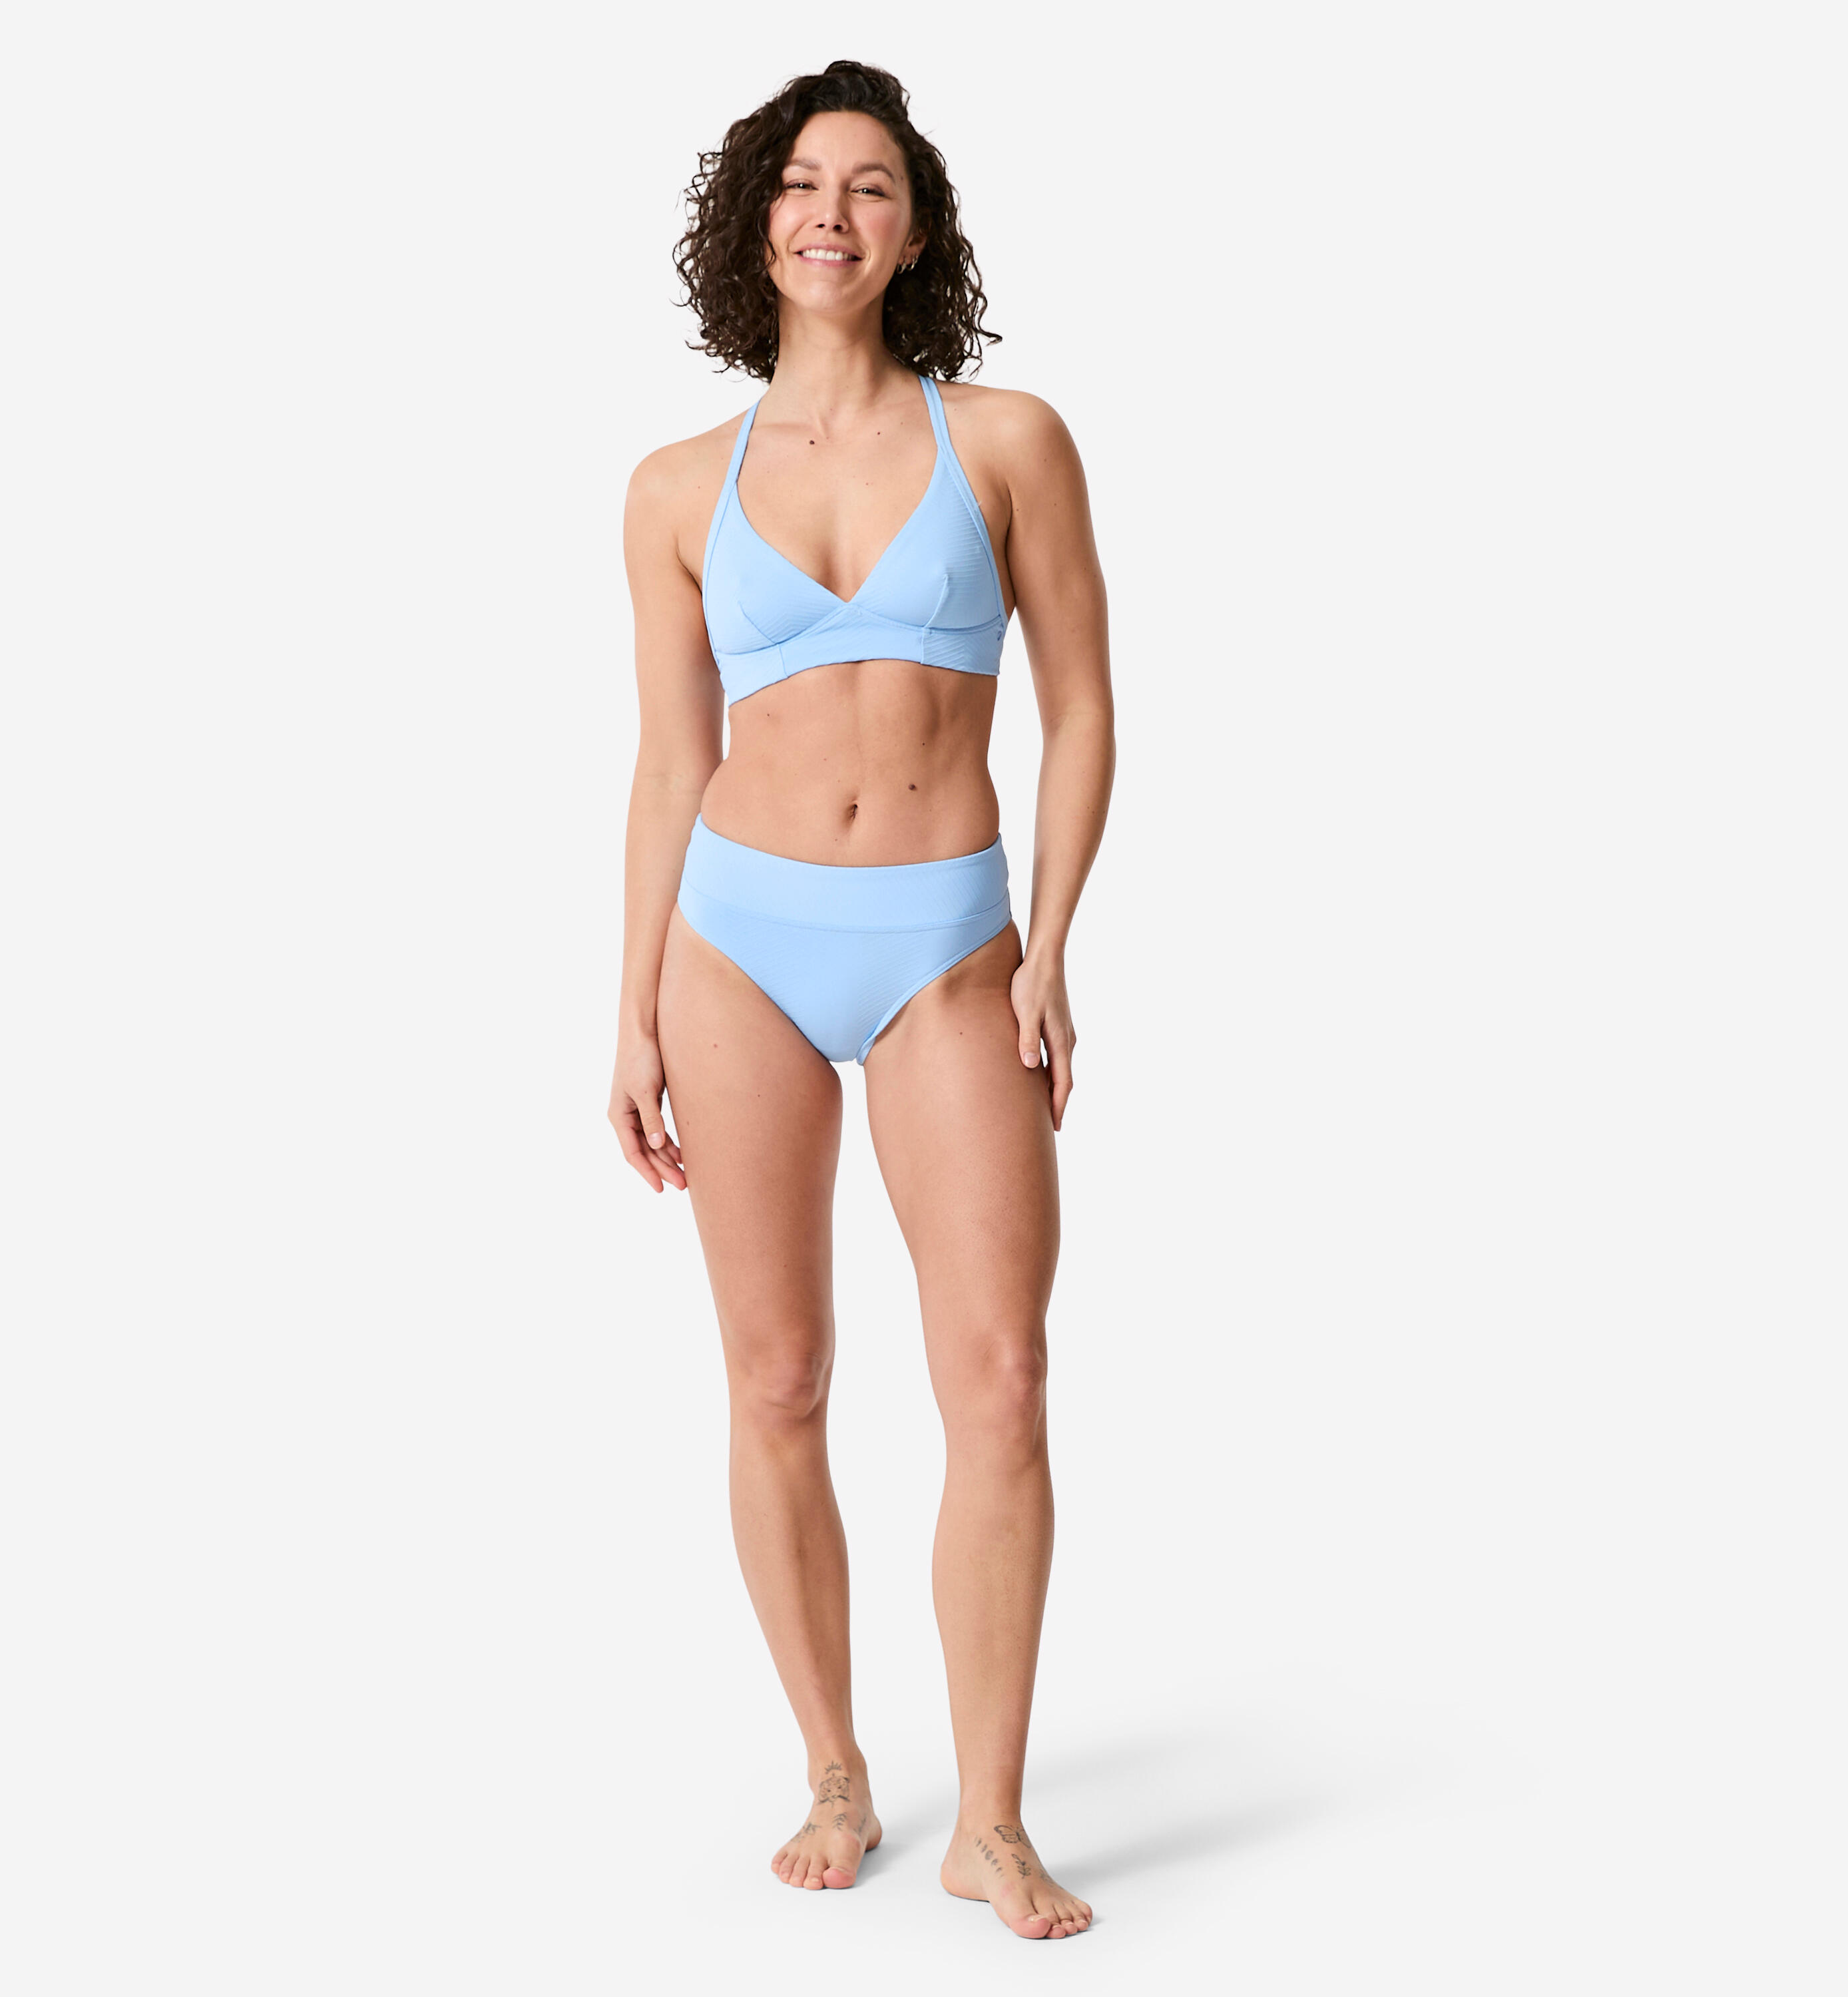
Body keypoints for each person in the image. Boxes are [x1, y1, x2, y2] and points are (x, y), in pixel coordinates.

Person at [608, 59, 1113, 1942]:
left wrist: (1051, 946)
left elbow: (1086, 711)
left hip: (947, 947)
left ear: (917, 230)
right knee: (777, 1377)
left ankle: (992, 1820)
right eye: (803, 184)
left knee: (1002, 1377)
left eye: (873, 186)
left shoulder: (1010, 441)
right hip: (734, 943)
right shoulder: (676, 488)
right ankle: (834, 1770)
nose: (834, 212)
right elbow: (670, 763)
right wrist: (631, 1011)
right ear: (757, 225)